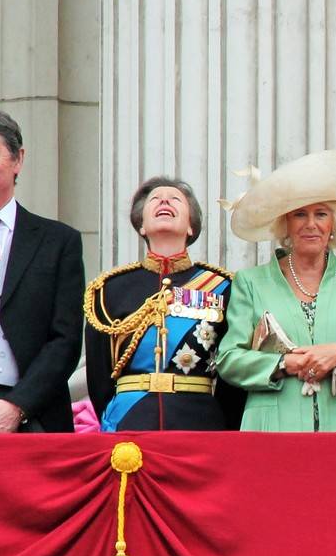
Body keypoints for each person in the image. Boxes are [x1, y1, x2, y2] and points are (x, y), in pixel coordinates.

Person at [216, 150, 336, 431]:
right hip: (272, 428)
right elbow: (228, 359)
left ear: (332, 224)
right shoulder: (251, 282)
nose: (311, 224)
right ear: (285, 223)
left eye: (320, 214)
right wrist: (285, 364)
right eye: (300, 214)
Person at [0, 110, 84, 433]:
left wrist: (16, 406)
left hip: (35, 413)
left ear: (18, 160)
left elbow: (65, 339)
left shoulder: (59, 241)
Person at [84, 177, 242, 431]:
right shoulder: (108, 289)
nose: (165, 201)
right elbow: (100, 377)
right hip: (129, 420)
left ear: (191, 226)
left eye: (175, 199)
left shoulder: (224, 287)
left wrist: (221, 423)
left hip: (200, 422)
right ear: (142, 226)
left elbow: (232, 374)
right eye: (155, 199)